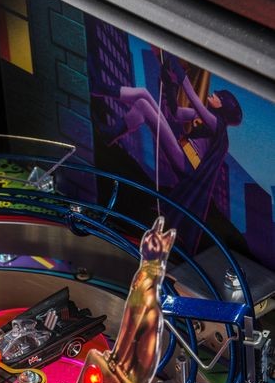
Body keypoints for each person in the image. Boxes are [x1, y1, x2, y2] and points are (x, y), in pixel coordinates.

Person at [93, 53, 243, 251]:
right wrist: (170, 86)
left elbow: (193, 99)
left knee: (144, 106)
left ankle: (110, 131)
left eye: (218, 97)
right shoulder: (206, 116)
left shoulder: (216, 124)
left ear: (222, 105)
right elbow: (176, 113)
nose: (213, 95)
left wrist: (181, 75)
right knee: (143, 95)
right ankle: (103, 96)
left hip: (187, 164)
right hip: (183, 153)